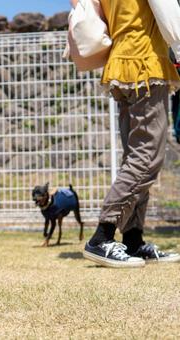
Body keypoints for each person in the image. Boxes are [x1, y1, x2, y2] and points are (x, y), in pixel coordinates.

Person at [72, 0, 180, 267]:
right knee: (147, 158)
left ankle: (132, 239)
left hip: (121, 66)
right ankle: (102, 237)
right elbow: (170, 17)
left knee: (135, 157)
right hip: (146, 65)